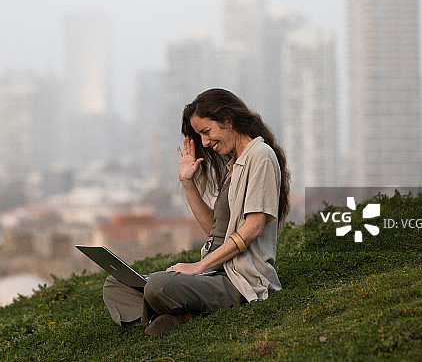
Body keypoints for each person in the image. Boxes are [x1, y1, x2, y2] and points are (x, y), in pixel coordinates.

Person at [102, 88, 290, 337]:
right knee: (115, 283)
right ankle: (174, 316)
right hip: (213, 273)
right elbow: (215, 228)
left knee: (158, 285)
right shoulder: (234, 163)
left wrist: (198, 267)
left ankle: (173, 315)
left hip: (238, 281)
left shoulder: (261, 157)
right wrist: (187, 183)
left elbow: (254, 227)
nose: (203, 143)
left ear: (228, 121)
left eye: (206, 132)